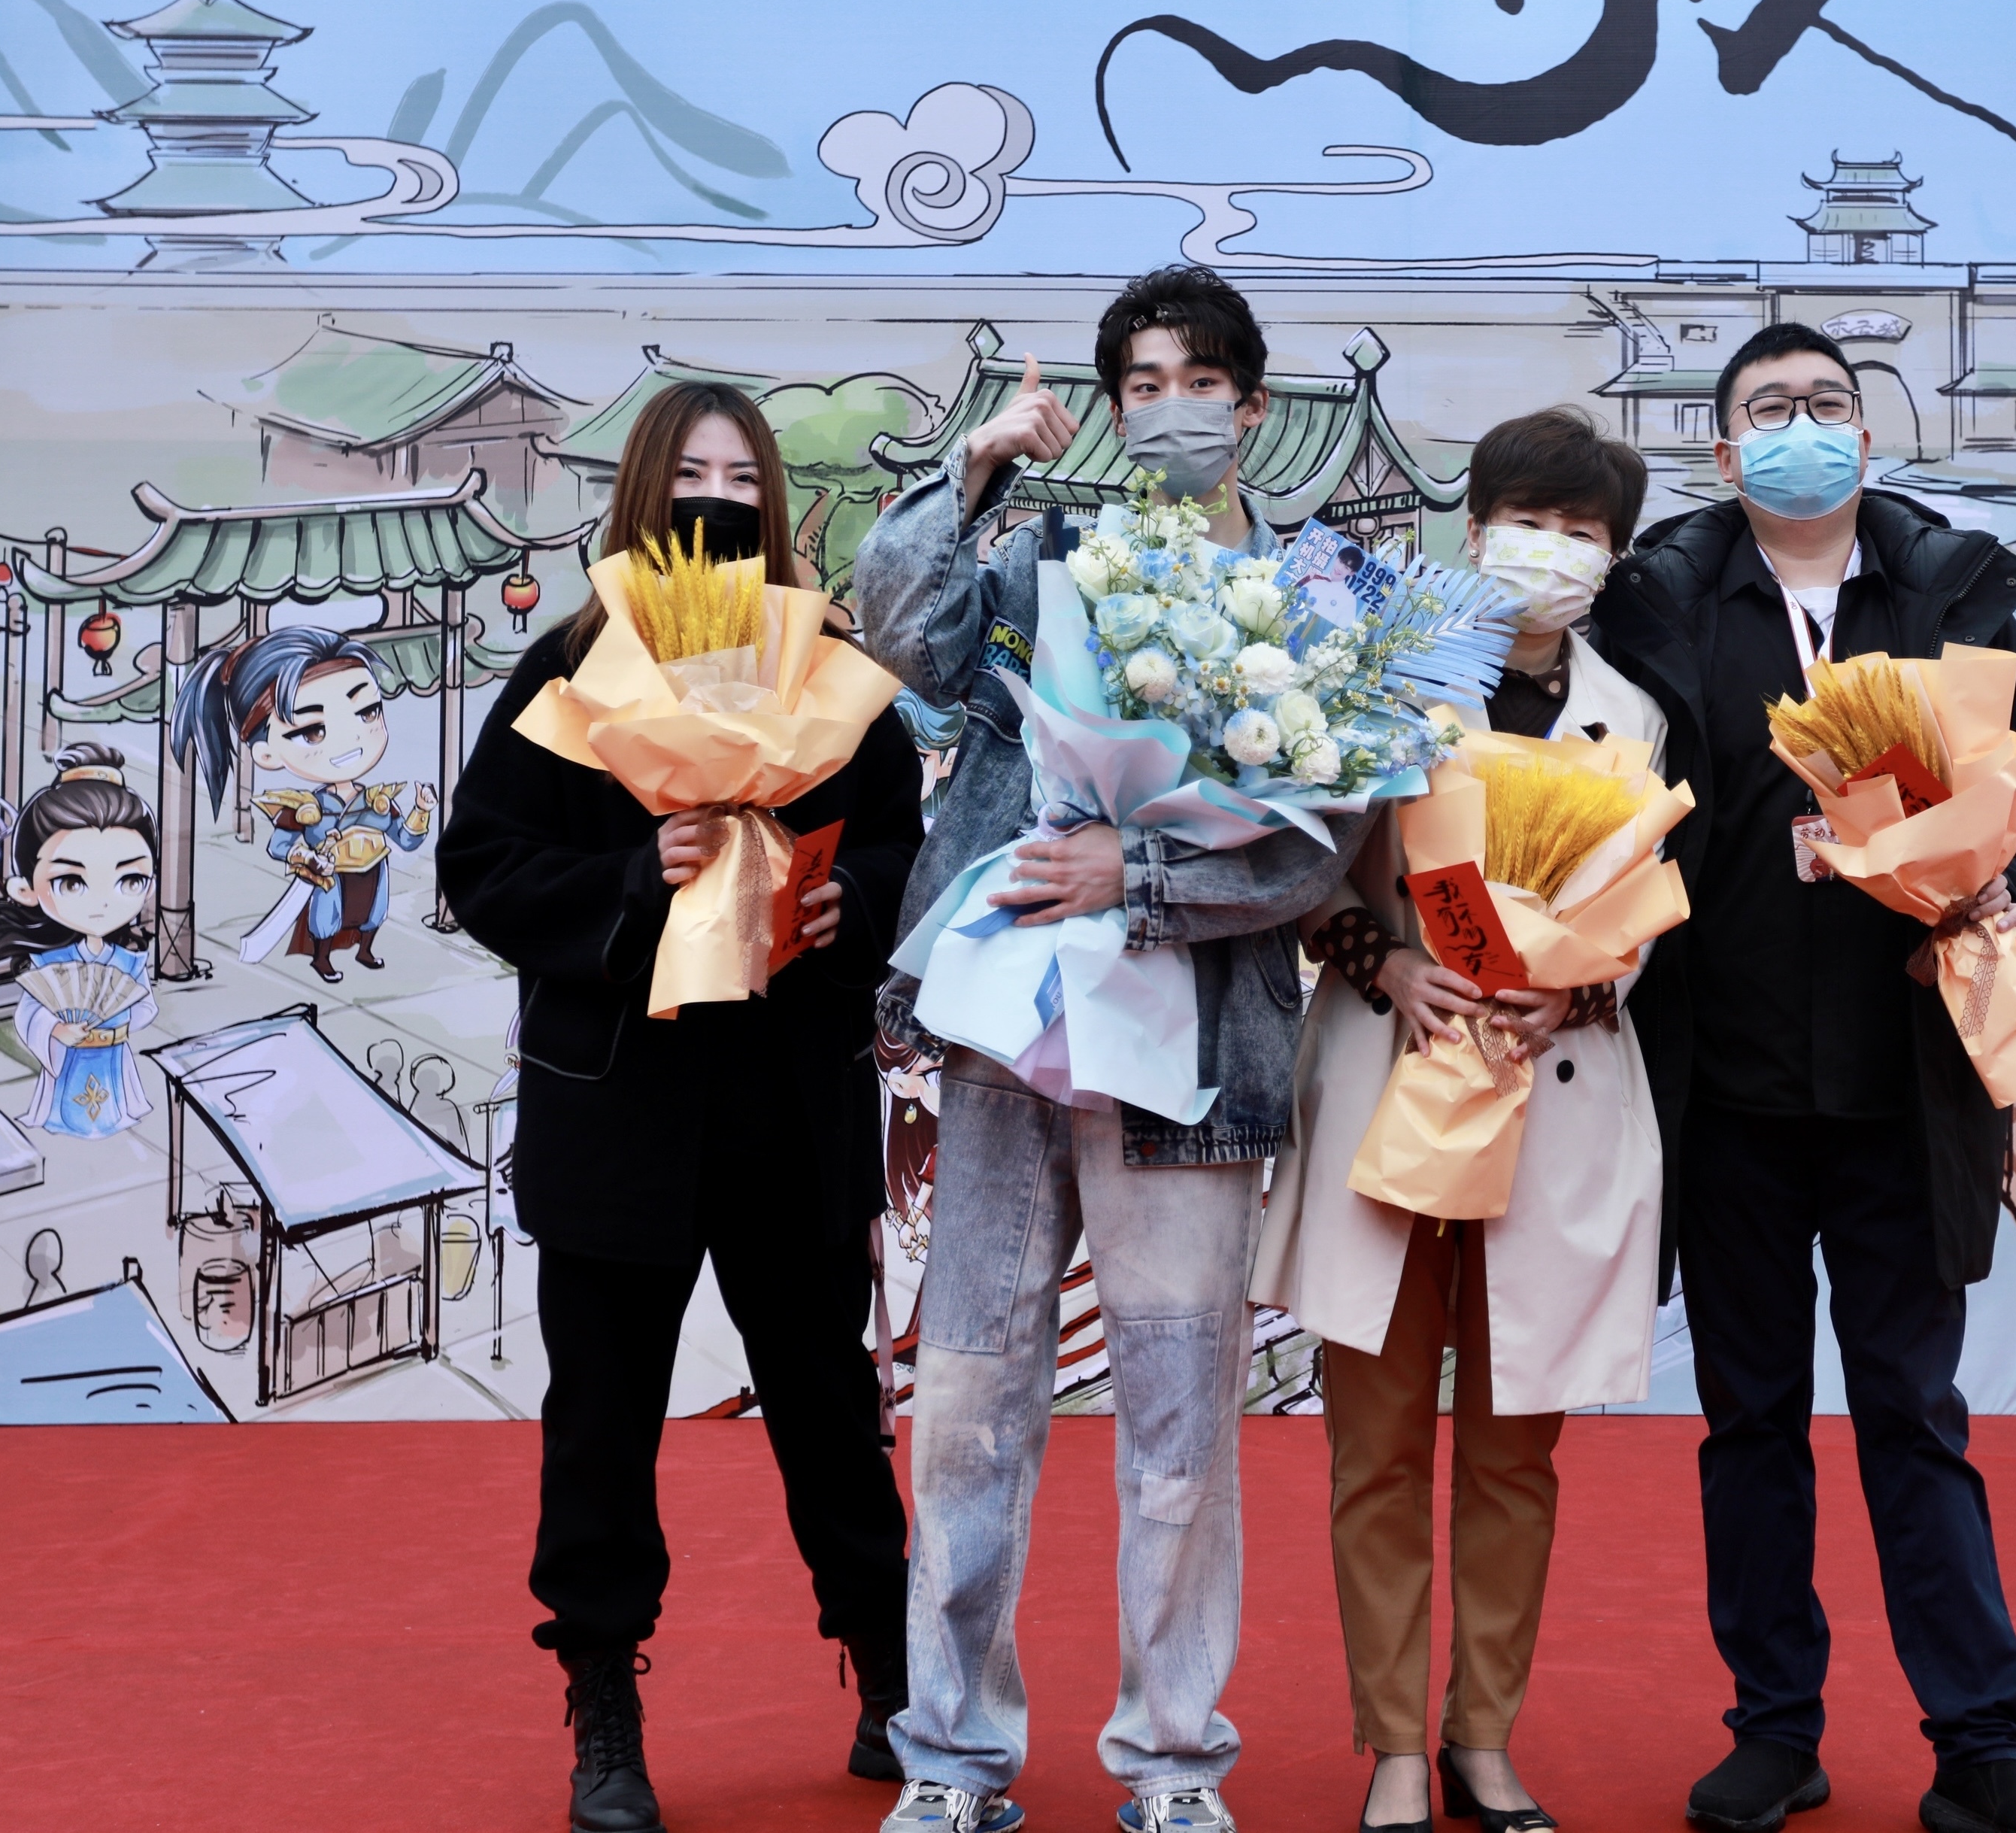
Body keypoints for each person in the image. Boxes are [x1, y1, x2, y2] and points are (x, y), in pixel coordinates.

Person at [855, 264, 1368, 1833]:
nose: (1170, 409)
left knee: (1177, 1425)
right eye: (1140, 385)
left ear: (1251, 406)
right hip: (1006, 1043)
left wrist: (1134, 876)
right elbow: (899, 634)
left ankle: (1173, 1761)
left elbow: (1320, 849)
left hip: (1194, 1055)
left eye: (1197, 382)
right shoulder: (1042, 557)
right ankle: (950, 1758)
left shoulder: (1317, 595)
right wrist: (973, 466)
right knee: (965, 1406)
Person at [1590, 324, 2016, 1833]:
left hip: (1902, 1081)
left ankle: (1978, 1747)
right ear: (1722, 450)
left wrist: (2006, 880)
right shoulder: (1660, 600)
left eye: (1827, 403)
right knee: (1748, 1419)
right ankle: (1774, 1728)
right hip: (1727, 1088)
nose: (1801, 424)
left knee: (1914, 1412)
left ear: (1868, 439)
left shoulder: (1948, 592)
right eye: (1770, 407)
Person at [438, 379, 922, 1833]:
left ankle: (891, 1672)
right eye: (691, 475)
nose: (717, 500)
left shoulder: (831, 670)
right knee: (600, 1423)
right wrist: (630, 875)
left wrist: (852, 903)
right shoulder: (571, 671)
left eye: (742, 477)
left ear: (774, 501)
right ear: (643, 495)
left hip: (791, 1102)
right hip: (617, 1114)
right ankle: (603, 1700)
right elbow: (482, 866)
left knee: (828, 1407)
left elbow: (900, 843)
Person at [1257, 406, 1668, 1833]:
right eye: (1525, 521)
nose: (1547, 550)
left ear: (1610, 555)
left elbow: (1637, 911)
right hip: (1395, 1075)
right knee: (1373, 1443)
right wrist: (1387, 962)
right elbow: (1298, 870)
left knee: (1513, 1451)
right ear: (1473, 524)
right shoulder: (1378, 678)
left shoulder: (1634, 712)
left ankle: (1482, 1736)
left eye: (1579, 531)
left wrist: (1581, 983)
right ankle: (1390, 1743)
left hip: (1552, 1096)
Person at [171, 625, 436, 982]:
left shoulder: (378, 801)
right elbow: (279, 846)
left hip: (374, 871)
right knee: (326, 918)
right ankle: (321, 959)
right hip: (330, 875)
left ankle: (366, 949)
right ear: (266, 753)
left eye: (368, 712)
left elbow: (406, 839)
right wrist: (307, 858)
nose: (352, 738)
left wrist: (422, 809)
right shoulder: (303, 808)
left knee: (374, 913)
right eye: (314, 731)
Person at [0, 745, 160, 1141]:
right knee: (68, 1107)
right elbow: (29, 1014)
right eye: (71, 883)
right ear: (25, 890)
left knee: (116, 1108)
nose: (102, 902)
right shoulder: (50, 962)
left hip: (114, 1055)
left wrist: (126, 1017)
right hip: (71, 1057)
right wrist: (54, 1030)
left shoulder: (129, 959)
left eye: (130, 880)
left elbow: (146, 1006)